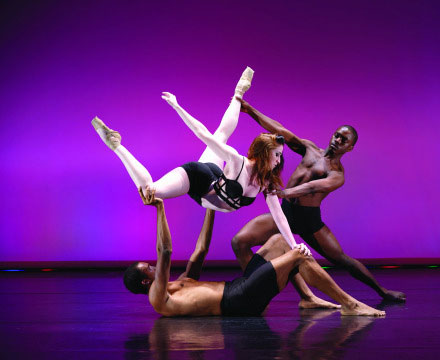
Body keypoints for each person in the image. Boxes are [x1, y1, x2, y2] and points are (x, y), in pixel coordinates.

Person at [91, 68, 300, 263]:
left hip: (214, 175)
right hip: (198, 180)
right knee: (150, 191)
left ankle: (238, 93)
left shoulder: (266, 182)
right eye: (276, 155)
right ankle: (116, 145)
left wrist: (294, 246)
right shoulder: (238, 161)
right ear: (263, 154)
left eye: (280, 156)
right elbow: (202, 134)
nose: (278, 161)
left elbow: (278, 216)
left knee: (221, 134)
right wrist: (177, 106)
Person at [231, 99, 406, 302]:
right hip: (286, 214)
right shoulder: (309, 149)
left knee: (342, 260)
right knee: (239, 242)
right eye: (337, 135)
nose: (338, 140)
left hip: (309, 221)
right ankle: (253, 291)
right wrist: (250, 110)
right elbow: (279, 130)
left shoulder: (337, 174)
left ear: (350, 147)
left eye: (344, 140)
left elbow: (313, 187)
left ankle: (382, 291)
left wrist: (285, 193)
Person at [123, 187, 386, 317]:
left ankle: (307, 297)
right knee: (297, 254)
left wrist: (211, 204)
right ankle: (349, 304)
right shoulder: (157, 298)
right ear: (146, 281)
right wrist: (160, 208)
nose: (154, 265)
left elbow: (200, 249)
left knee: (280, 242)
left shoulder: (177, 283)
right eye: (149, 267)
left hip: (240, 287)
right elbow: (165, 251)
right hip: (238, 302)